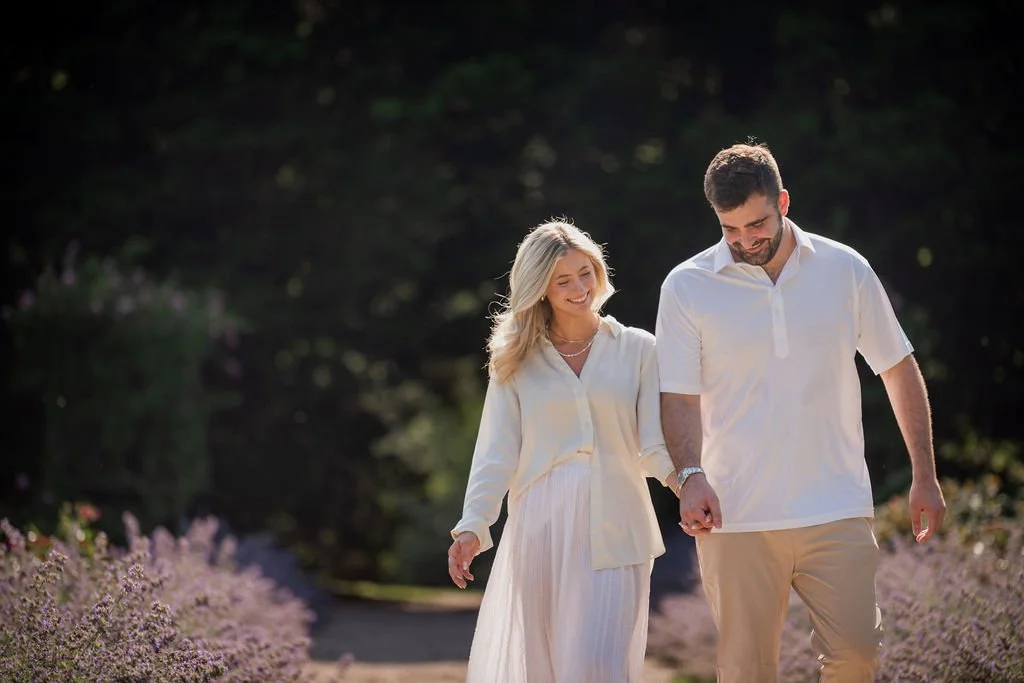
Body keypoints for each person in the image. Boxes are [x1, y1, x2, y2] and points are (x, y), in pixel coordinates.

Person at [654, 141, 947, 683]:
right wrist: (690, 476)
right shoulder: (687, 286)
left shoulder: (845, 269)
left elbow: (898, 369)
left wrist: (924, 475)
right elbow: (678, 396)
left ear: (783, 201)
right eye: (730, 229)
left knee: (856, 656)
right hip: (736, 515)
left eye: (756, 224)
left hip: (835, 505)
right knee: (746, 672)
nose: (745, 241)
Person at [447, 219, 677, 683]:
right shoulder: (516, 359)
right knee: (543, 668)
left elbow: (653, 445)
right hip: (541, 527)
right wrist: (473, 525)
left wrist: (687, 483)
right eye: (562, 280)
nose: (579, 288)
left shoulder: (639, 350)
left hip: (618, 522)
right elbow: (497, 450)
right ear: (540, 289)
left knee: (599, 666)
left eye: (585, 273)